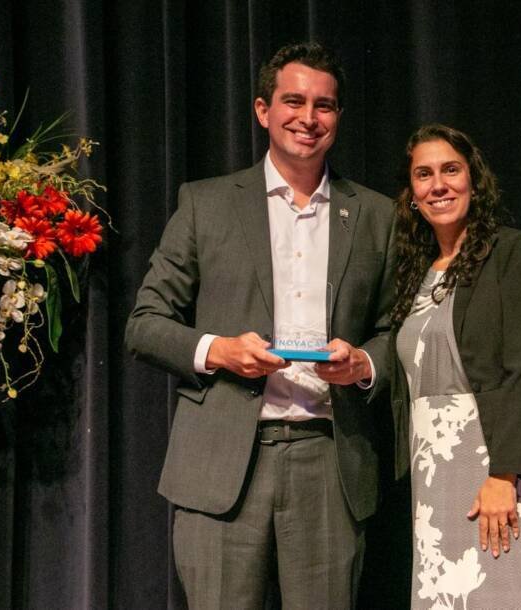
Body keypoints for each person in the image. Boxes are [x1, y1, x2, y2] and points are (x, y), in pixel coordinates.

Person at [125, 42, 394, 609]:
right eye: (293, 101)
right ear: (261, 110)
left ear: (338, 117)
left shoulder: (374, 214)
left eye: (324, 105)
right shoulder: (206, 204)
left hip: (330, 461)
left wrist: (364, 363)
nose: (308, 117)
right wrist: (219, 350)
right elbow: (145, 324)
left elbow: (399, 331)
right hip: (223, 466)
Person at [388, 124, 521, 609]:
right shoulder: (415, 272)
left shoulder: (509, 252)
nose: (439, 184)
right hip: (434, 470)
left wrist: (504, 474)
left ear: (474, 179)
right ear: (412, 193)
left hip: (494, 459)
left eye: (451, 170)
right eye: (424, 174)